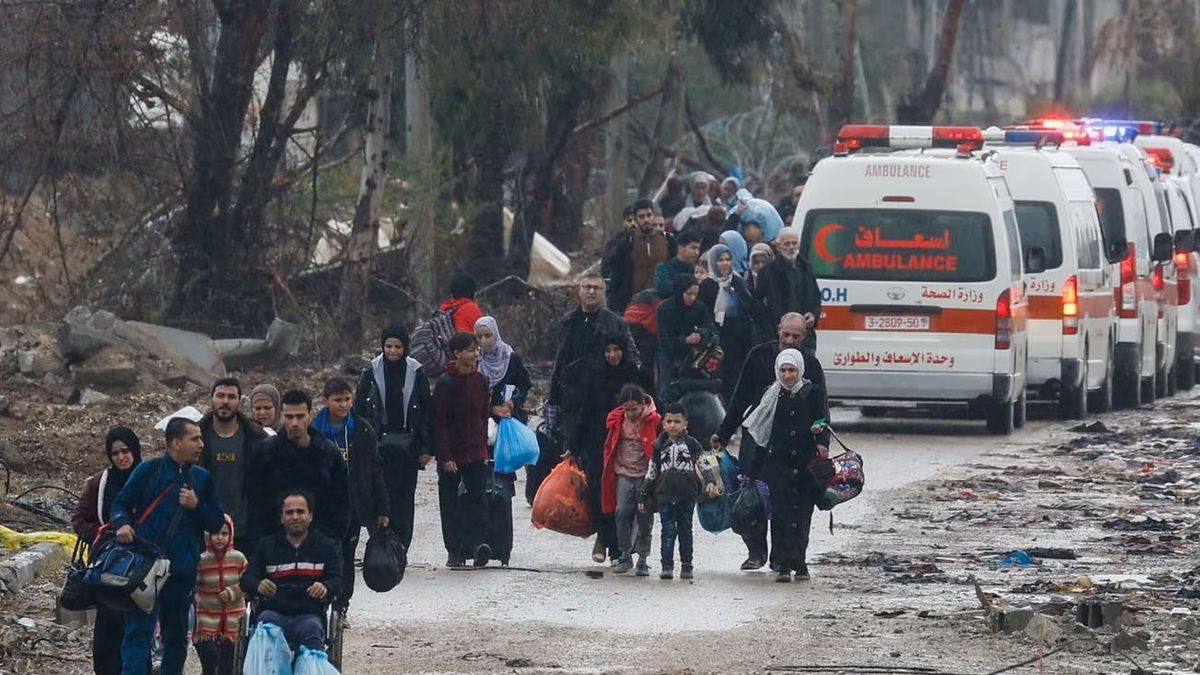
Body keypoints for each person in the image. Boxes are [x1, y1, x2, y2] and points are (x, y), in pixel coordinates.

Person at [712, 313, 825, 570]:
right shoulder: (759, 356)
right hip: (759, 438)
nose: (789, 340)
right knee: (753, 497)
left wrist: (822, 442)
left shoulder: (811, 365)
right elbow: (739, 398)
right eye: (786, 334)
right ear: (778, 331)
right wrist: (724, 432)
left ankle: (785, 558)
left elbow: (821, 407)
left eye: (796, 336)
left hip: (796, 444)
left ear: (804, 337)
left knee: (790, 503)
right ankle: (756, 551)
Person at [112, 418, 225, 675]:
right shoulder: (148, 471)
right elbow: (120, 503)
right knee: (138, 634)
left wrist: (197, 506)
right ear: (176, 443)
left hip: (182, 570)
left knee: (175, 637)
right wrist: (122, 524)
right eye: (194, 439)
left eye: (201, 438)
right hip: (146, 568)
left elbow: (217, 521)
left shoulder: (202, 478)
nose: (201, 444)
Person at [739, 349, 829, 582]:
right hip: (776, 464)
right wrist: (753, 470)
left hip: (805, 464)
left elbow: (822, 419)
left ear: (800, 370)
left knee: (802, 514)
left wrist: (820, 440)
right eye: (783, 370)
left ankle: (799, 561)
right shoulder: (770, 396)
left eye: (792, 370)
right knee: (779, 515)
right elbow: (761, 433)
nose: (788, 375)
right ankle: (782, 564)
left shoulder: (813, 393)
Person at [565, 336, 644, 564]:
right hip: (598, 443)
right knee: (600, 492)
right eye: (608, 350)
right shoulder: (595, 376)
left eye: (617, 349)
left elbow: (648, 407)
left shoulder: (633, 375)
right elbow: (585, 413)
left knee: (626, 497)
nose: (613, 355)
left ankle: (622, 546)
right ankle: (605, 538)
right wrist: (573, 445)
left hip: (628, 445)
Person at [314, 377, 389, 614]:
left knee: (346, 557)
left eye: (347, 399)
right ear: (326, 401)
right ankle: (318, 603)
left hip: (353, 505)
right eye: (337, 400)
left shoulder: (362, 429)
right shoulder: (314, 430)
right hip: (320, 505)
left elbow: (375, 471)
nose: (343, 405)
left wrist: (382, 508)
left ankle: (341, 604)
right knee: (321, 554)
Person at [354, 323, 433, 551]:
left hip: (408, 443)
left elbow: (426, 411)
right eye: (388, 346)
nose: (392, 351)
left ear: (405, 347)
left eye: (397, 346)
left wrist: (426, 447)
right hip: (377, 442)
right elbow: (360, 409)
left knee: (404, 497)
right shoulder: (371, 371)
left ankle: (400, 547)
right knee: (378, 493)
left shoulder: (416, 372)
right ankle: (379, 542)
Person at [71, 426, 142, 675]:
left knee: (137, 630)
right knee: (107, 631)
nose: (122, 457)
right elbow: (79, 519)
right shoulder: (99, 484)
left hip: (141, 570)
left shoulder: (148, 480)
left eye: (126, 451)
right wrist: (102, 535)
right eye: (116, 453)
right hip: (107, 567)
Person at [243, 389, 350, 548]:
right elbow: (254, 500)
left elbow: (342, 500)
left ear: (310, 414)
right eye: (289, 417)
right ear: (282, 416)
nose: (294, 423)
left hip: (320, 544)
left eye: (300, 416)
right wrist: (263, 543)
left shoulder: (328, 453)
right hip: (276, 545)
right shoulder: (266, 452)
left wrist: (332, 539)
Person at [242, 491, 343, 652]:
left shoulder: (326, 547)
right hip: (273, 611)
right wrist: (258, 584)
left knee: (311, 630)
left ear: (310, 516)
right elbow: (247, 578)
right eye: (289, 512)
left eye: (300, 511)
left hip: (309, 613)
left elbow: (337, 580)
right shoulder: (266, 546)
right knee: (266, 630)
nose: (295, 517)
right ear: (281, 517)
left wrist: (326, 586)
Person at [547, 274, 641, 437]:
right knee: (570, 452)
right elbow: (560, 361)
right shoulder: (567, 322)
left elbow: (632, 358)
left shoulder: (615, 322)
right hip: (572, 397)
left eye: (596, 288)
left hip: (605, 399)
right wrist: (553, 399)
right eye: (587, 287)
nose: (592, 292)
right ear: (579, 291)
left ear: (604, 292)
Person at [432, 332, 493, 567]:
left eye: (476, 349)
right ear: (457, 354)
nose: (475, 354)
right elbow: (439, 423)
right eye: (470, 350)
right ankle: (455, 550)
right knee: (450, 502)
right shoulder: (445, 384)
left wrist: (483, 450)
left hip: (476, 450)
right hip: (452, 452)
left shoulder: (481, 381)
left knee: (479, 498)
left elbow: (482, 416)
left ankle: (478, 545)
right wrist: (445, 456)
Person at [199, 377, 268, 552]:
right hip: (205, 528)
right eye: (220, 396)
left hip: (245, 531)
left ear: (239, 401)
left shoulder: (256, 439)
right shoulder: (196, 437)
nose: (225, 402)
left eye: (231, 397)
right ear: (212, 398)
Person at [600, 385, 660, 576]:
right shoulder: (617, 421)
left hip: (645, 475)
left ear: (643, 405)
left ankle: (642, 558)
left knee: (644, 517)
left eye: (634, 409)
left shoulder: (654, 421)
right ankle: (625, 553)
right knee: (621, 512)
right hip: (623, 473)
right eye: (627, 409)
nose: (631, 413)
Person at [642, 402, 703, 580]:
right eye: (669, 421)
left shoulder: (692, 444)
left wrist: (712, 481)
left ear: (685, 424)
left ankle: (686, 565)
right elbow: (652, 470)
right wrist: (644, 491)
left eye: (677, 421)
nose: (673, 425)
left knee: (685, 529)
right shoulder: (659, 445)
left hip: (687, 493)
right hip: (665, 493)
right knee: (667, 530)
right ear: (663, 424)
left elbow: (703, 463)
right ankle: (667, 566)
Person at [699, 244, 759, 401]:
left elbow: (749, 306)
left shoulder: (738, 282)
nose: (725, 263)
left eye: (728, 259)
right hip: (719, 341)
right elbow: (704, 314)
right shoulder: (707, 286)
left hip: (740, 341)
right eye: (720, 260)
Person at [192, 516, 246, 675]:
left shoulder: (238, 558)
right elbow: (193, 582)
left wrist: (232, 592)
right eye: (215, 533)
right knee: (208, 654)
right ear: (207, 535)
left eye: (224, 533)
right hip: (208, 614)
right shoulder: (202, 560)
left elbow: (248, 582)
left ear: (231, 535)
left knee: (229, 657)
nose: (220, 538)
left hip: (233, 615)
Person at [754, 227, 821, 351]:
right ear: (779, 246)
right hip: (778, 336)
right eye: (787, 243)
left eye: (794, 243)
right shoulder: (768, 271)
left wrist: (813, 315)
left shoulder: (806, 268)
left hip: (804, 337)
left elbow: (816, 297)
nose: (791, 247)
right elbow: (758, 303)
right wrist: (773, 325)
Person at [602, 199, 675, 313]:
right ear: (636, 220)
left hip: (662, 303)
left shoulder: (667, 240)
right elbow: (618, 275)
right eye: (641, 217)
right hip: (635, 304)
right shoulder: (626, 243)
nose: (646, 219)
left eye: (649, 215)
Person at [655, 273, 719, 403]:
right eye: (689, 294)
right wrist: (685, 340)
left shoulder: (699, 307)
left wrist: (701, 334)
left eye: (695, 294)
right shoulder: (664, 309)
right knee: (667, 392)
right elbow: (664, 341)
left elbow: (711, 329)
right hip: (670, 357)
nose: (692, 298)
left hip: (695, 358)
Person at [653, 229, 702, 298]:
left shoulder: (697, 270)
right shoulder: (663, 268)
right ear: (680, 248)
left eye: (698, 249)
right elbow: (664, 289)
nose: (697, 252)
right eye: (693, 248)